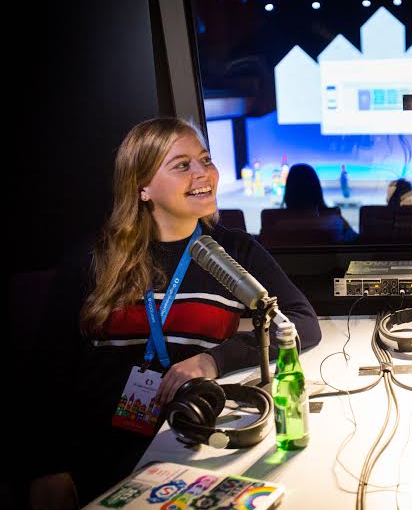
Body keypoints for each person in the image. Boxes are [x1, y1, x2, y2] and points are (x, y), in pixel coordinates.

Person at [27, 118, 323, 509]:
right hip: (96, 452)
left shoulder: (236, 250)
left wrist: (215, 360)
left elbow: (303, 322)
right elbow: (48, 370)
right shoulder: (92, 259)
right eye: (183, 165)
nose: (204, 174)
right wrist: (47, 467)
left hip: (193, 444)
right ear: (142, 187)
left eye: (205, 160)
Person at [279, 163, 357, 243]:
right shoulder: (334, 222)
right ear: (317, 191)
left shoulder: (279, 226)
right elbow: (356, 241)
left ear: (289, 192)